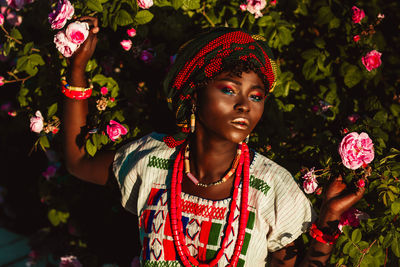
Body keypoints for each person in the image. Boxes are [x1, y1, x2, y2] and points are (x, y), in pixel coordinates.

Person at [63, 17, 365, 266]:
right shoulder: (152, 161)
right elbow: (78, 162)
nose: (245, 105)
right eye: (230, 90)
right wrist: (77, 71)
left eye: (256, 96)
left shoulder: (271, 188)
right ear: (195, 95)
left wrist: (329, 217)